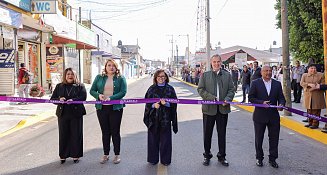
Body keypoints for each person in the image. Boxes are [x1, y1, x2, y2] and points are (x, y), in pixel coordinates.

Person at [197, 54, 235, 166]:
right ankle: (207, 155)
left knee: (222, 134)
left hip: (223, 110)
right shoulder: (205, 75)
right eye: (214, 62)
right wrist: (211, 98)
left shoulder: (227, 76)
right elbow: (200, 89)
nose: (216, 64)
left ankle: (222, 156)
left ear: (221, 63)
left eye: (218, 62)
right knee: (207, 134)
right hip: (209, 110)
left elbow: (231, 90)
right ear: (211, 63)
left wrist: (227, 99)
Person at [90, 59, 127, 164]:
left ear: (116, 68)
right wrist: (98, 95)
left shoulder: (120, 78)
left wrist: (111, 98)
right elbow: (92, 90)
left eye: (113, 66)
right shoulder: (99, 78)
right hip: (102, 108)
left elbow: (123, 92)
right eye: (109, 65)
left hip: (116, 108)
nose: (111, 67)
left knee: (115, 132)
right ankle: (106, 154)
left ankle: (117, 155)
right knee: (105, 132)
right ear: (105, 67)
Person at [248, 65, 285, 168]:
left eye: (270, 70)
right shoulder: (255, 83)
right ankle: (259, 158)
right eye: (266, 71)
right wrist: (261, 102)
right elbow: (251, 98)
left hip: (273, 116)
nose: (268, 72)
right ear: (261, 72)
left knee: (274, 139)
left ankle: (273, 159)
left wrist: (281, 105)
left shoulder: (277, 84)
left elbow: (281, 98)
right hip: (259, 116)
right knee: (259, 138)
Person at [50, 68, 87, 164]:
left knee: (76, 134)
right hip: (63, 114)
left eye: (72, 74)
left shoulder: (80, 86)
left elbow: (83, 97)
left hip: (76, 114)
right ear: (65, 76)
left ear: (75, 76)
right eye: (68, 74)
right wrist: (59, 99)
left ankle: (76, 155)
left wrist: (73, 100)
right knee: (63, 135)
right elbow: (52, 99)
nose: (70, 76)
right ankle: (63, 155)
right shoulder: (59, 86)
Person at [143, 69, 178, 166]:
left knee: (166, 140)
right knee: (153, 139)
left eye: (163, 76)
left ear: (166, 77)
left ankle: (165, 160)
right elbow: (147, 103)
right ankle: (153, 159)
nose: (161, 78)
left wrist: (166, 104)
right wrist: (154, 105)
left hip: (165, 119)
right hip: (153, 118)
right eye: (159, 76)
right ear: (155, 78)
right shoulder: (151, 89)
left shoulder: (170, 89)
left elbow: (175, 103)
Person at [300, 64, 325, 129]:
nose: (313, 70)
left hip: (317, 95)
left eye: (314, 68)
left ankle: (315, 124)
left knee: (316, 110)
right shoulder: (304, 75)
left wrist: (317, 86)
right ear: (308, 69)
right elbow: (301, 83)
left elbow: (323, 84)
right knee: (309, 109)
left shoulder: (321, 75)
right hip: (308, 95)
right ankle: (310, 122)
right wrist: (308, 84)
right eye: (311, 68)